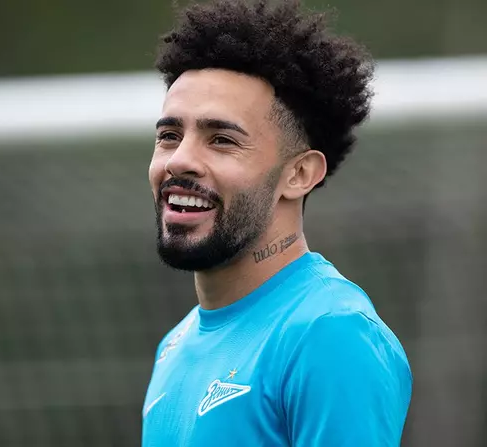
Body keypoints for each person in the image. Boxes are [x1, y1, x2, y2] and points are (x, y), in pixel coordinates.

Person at [142, 0, 412, 445]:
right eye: (169, 135)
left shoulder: (330, 332)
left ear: (299, 174)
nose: (179, 160)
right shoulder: (174, 345)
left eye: (221, 140)